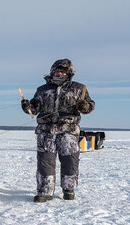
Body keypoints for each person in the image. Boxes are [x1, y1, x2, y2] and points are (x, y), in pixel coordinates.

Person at [21, 58, 95, 202]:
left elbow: (90, 105)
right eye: (57, 71)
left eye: (62, 71)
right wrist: (27, 107)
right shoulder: (42, 89)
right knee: (45, 161)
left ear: (69, 73)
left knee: (70, 160)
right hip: (46, 131)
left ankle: (68, 189)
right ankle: (45, 191)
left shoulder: (79, 88)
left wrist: (84, 106)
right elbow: (34, 109)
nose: (59, 74)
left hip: (69, 130)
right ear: (52, 72)